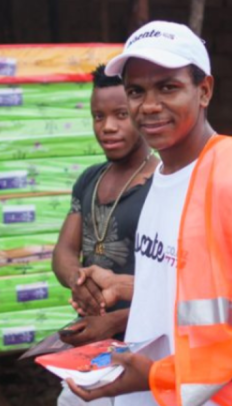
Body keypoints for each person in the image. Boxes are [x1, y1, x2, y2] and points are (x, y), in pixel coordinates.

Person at [66, 21, 232, 406]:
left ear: (204, 91)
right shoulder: (162, 176)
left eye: (168, 87)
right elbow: (193, 302)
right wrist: (116, 318)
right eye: (136, 91)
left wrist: (159, 375)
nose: (148, 105)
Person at [52, 65, 158, 406]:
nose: (108, 127)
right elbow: (64, 252)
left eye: (121, 115)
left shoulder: (163, 183)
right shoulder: (90, 179)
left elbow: (178, 288)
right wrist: (79, 280)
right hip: (93, 349)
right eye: (98, 116)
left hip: (150, 348)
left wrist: (112, 319)